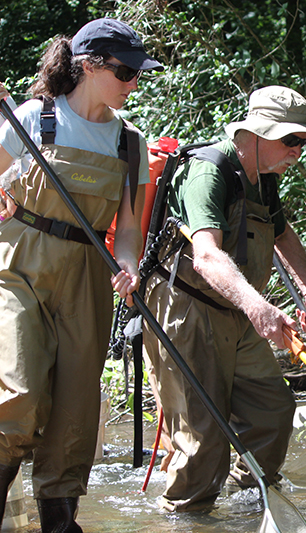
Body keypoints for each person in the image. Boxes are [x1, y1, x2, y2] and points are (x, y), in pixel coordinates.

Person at [0, 18, 162, 532]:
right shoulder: (30, 116)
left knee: (74, 417)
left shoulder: (129, 143)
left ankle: (59, 518)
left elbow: (130, 227)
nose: (133, 83)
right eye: (125, 72)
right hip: (19, 265)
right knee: (19, 395)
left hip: (88, 277)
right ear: (89, 67)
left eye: (138, 74)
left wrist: (131, 265)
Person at [141, 86, 306, 511]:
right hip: (188, 309)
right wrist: (258, 306)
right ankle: (185, 514)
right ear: (257, 133)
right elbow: (206, 256)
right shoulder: (209, 173)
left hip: (237, 312)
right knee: (203, 441)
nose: (299, 150)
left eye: (304, 141)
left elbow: (281, 235)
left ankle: (247, 506)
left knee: (272, 414)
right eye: (291, 139)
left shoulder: (265, 179)